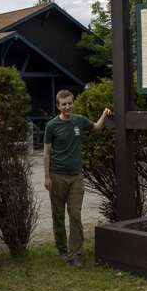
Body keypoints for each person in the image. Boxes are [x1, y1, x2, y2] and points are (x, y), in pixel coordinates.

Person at [43, 89, 111, 267]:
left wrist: (104, 114)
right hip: (57, 176)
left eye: (70, 103)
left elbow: (96, 127)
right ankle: (62, 250)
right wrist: (47, 177)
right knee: (58, 215)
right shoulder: (52, 126)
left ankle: (76, 253)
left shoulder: (79, 121)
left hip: (76, 177)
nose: (67, 106)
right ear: (58, 106)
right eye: (63, 104)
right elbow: (46, 153)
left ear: (73, 103)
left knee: (75, 214)